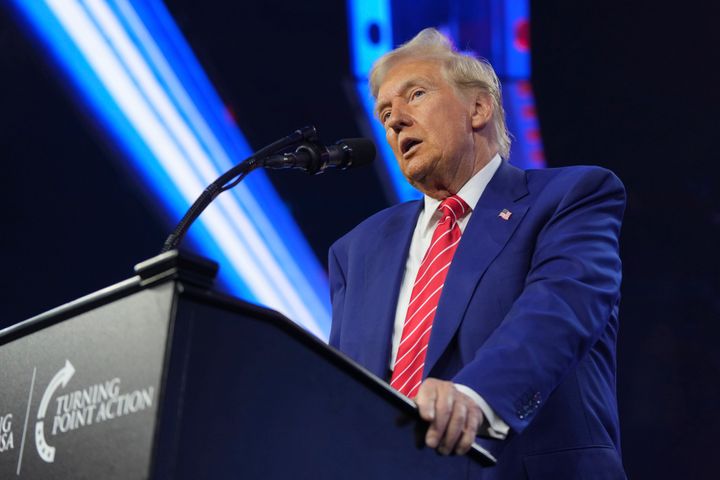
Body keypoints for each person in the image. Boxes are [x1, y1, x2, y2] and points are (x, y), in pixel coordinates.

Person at [328, 28, 626, 478]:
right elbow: (341, 392)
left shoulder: (570, 198)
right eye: (385, 112)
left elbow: (558, 312)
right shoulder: (357, 250)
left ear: (478, 108)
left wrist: (474, 397)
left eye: (417, 95)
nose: (394, 121)